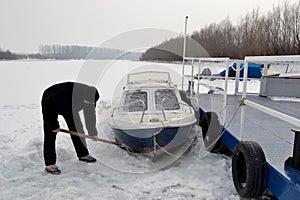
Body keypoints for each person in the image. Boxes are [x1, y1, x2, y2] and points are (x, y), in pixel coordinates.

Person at [41, 82, 100, 175]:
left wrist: (92, 132)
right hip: (51, 101)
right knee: (50, 133)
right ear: (83, 97)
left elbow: (90, 115)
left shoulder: (91, 96)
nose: (88, 105)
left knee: (77, 128)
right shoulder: (61, 96)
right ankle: (50, 164)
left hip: (71, 106)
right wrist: (54, 125)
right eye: (87, 103)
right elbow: (49, 104)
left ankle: (83, 154)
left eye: (91, 103)